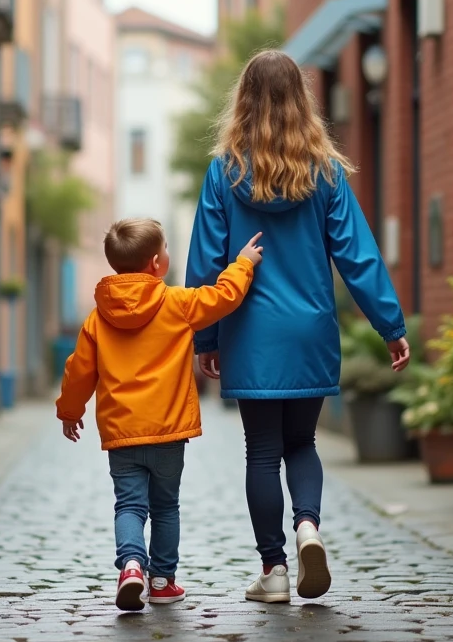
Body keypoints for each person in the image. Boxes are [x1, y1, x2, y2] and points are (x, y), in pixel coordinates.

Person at [185, 50, 410, 604]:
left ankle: (275, 571)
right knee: (302, 442)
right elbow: (358, 256)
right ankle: (308, 526)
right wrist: (390, 324)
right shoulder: (326, 172)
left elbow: (205, 261)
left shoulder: (224, 173)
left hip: (251, 334)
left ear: (243, 101)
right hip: (310, 329)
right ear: (301, 102)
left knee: (261, 451)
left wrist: (205, 337)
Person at [57, 217, 265, 611]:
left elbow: (79, 369)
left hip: (123, 434)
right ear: (156, 262)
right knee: (166, 506)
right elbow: (223, 297)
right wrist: (243, 263)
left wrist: (69, 410)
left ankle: (132, 565)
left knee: (130, 506)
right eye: (167, 247)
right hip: (169, 432)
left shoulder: (98, 318)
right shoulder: (177, 303)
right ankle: (162, 580)